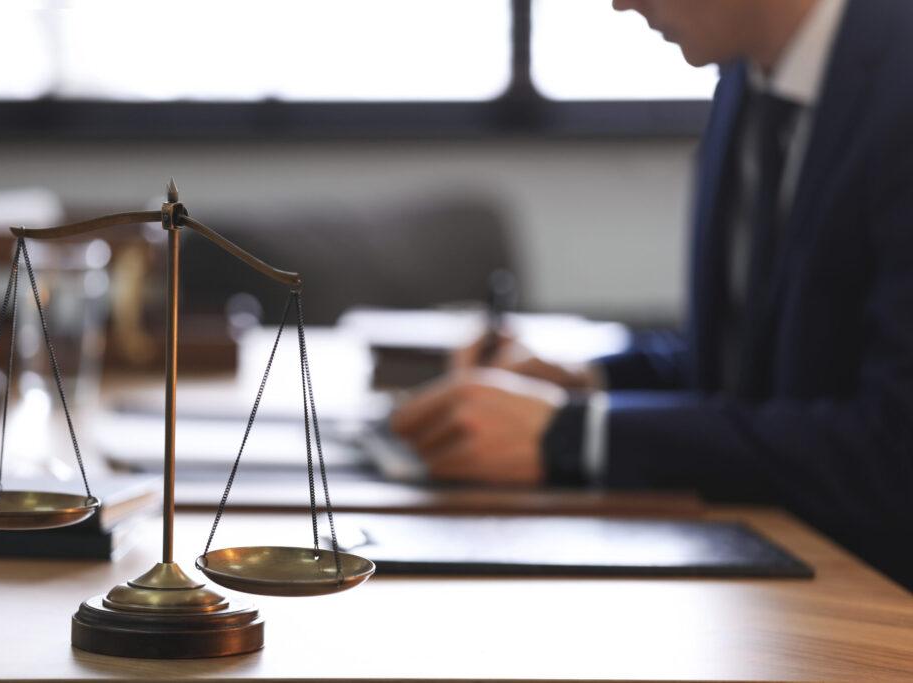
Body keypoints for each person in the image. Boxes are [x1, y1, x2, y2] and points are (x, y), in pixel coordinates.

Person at [391, 0, 913, 588]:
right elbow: (749, 378)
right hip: (782, 593)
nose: (618, 2)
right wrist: (584, 380)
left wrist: (574, 438)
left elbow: (894, 455)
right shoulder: (745, 78)